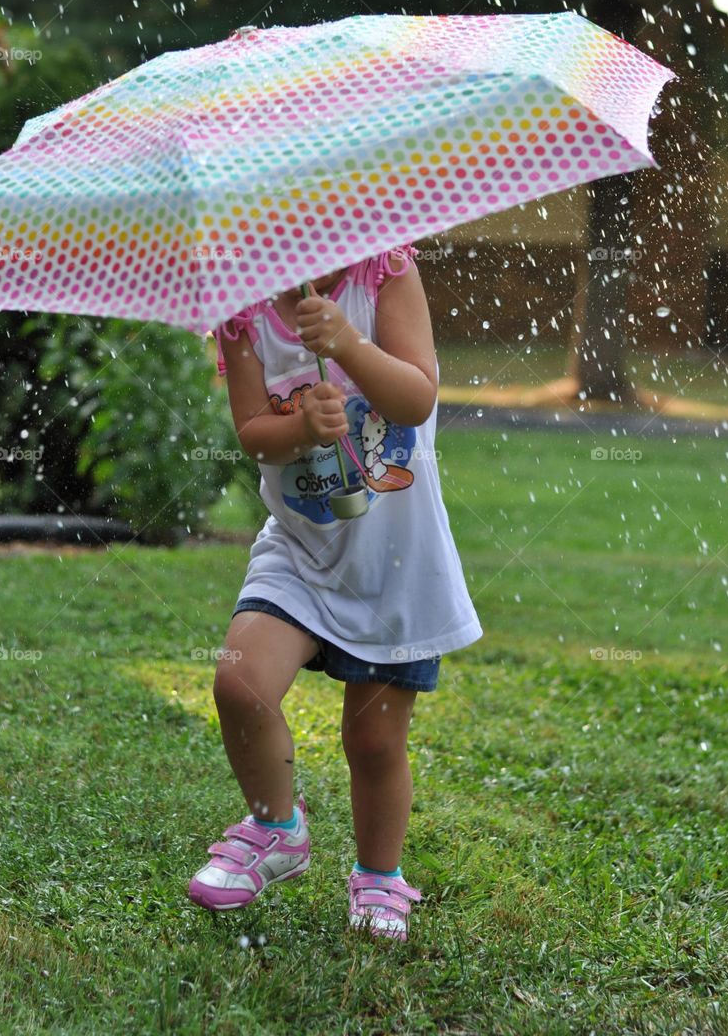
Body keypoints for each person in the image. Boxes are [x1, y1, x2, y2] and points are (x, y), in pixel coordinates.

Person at [187, 244, 483, 941]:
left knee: (374, 739)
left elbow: (415, 395)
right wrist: (299, 429)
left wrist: (346, 344)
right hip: (299, 552)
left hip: (397, 563)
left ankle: (379, 875)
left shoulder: (384, 274)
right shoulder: (243, 309)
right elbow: (254, 433)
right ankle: (275, 826)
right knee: (241, 686)